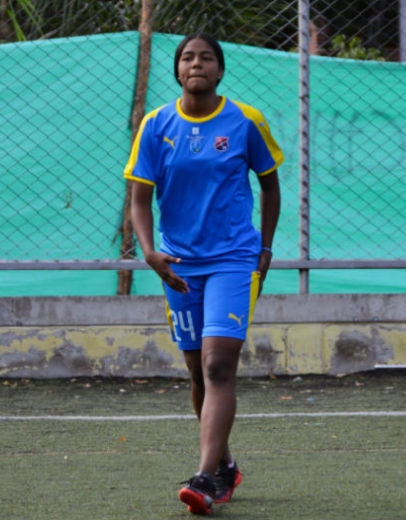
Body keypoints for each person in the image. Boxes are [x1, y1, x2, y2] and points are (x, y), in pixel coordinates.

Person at [123, 33, 283, 515]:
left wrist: (267, 245)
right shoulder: (156, 124)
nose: (197, 64)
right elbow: (138, 199)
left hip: (235, 259)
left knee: (218, 366)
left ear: (220, 70)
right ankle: (225, 467)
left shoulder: (246, 121)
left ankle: (203, 478)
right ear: (177, 71)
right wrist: (150, 253)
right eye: (188, 57)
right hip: (180, 265)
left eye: (206, 58)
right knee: (196, 370)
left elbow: (270, 186)